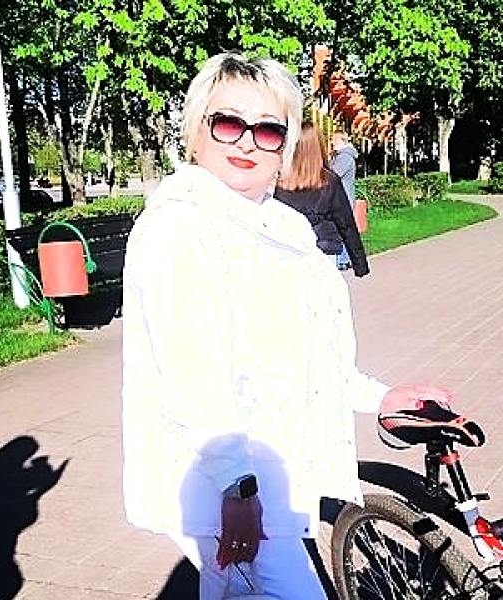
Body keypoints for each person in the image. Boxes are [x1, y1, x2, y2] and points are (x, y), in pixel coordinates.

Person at [122, 51, 442, 599]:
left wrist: (379, 397)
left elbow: (306, 352)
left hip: (270, 479)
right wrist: (237, 488)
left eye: (268, 130)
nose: (247, 142)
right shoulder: (180, 228)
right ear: (196, 133)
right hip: (227, 486)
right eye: (228, 123)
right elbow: (192, 374)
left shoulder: (282, 225)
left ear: (285, 145)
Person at [275, 122, 369, 277]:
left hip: (289, 253)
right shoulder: (329, 181)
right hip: (324, 251)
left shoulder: (279, 182)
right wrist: (360, 264)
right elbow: (346, 224)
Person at [330, 130, 359, 271]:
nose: (332, 143)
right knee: (344, 229)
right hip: (344, 198)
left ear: (341, 141)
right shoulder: (342, 156)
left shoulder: (344, 157)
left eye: (334, 140)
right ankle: (345, 259)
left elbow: (333, 175)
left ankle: (343, 260)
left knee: (341, 230)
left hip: (342, 200)